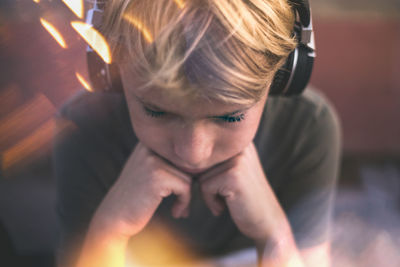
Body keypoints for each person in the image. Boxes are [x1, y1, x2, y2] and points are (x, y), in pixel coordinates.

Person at [53, 0, 341, 266]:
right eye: (157, 112)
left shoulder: (308, 128)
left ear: (284, 75)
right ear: (109, 67)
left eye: (230, 116)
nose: (193, 152)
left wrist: (275, 236)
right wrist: (110, 230)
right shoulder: (82, 128)